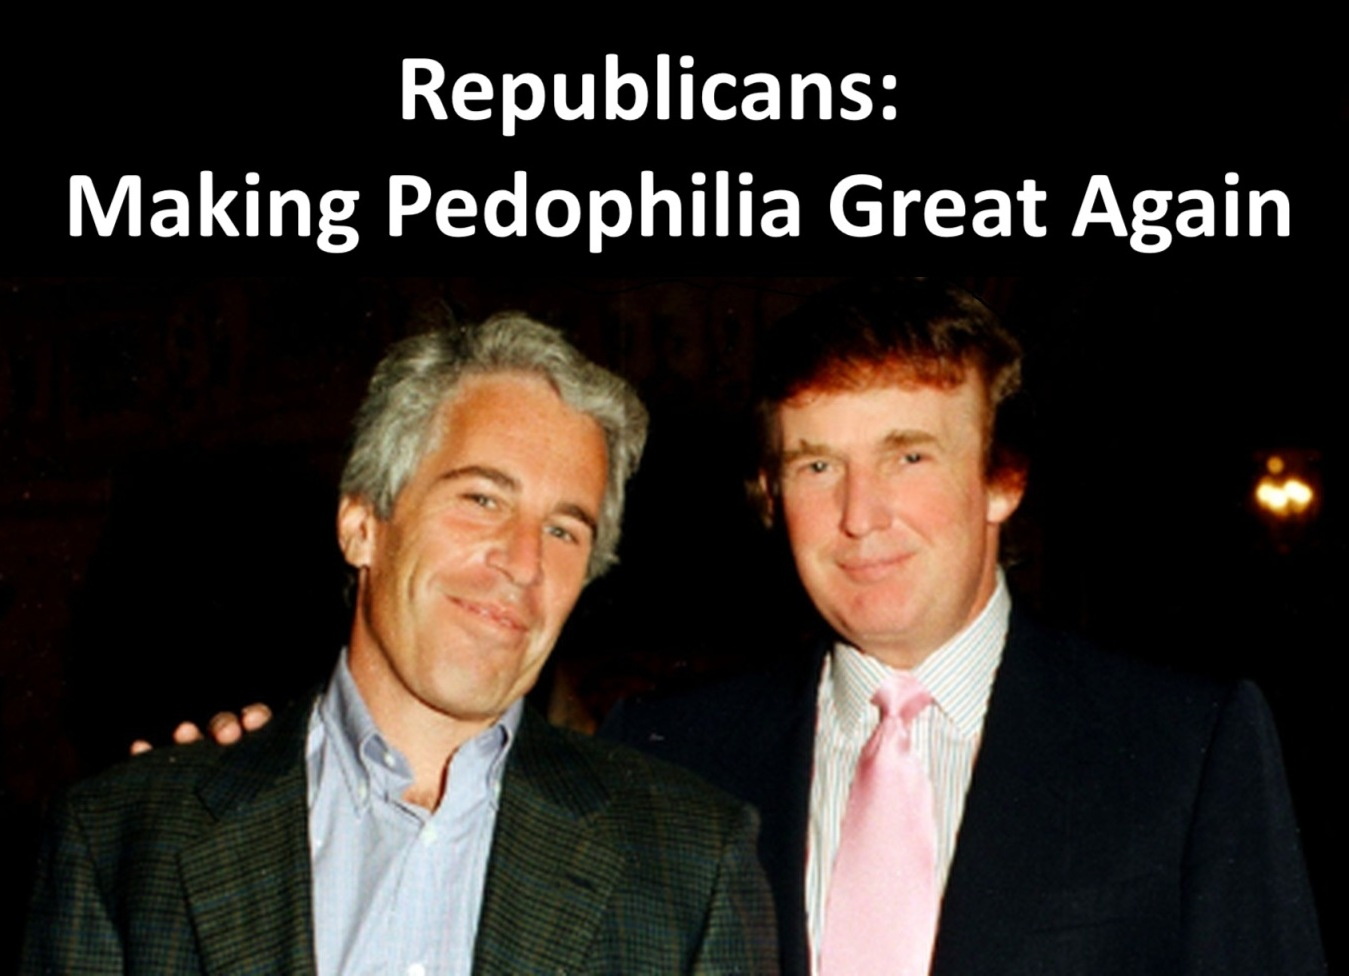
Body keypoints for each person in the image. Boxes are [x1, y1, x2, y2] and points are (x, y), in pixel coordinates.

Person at [604, 278, 1326, 975]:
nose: (859, 516)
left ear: (1002, 479)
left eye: (908, 456)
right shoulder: (668, 757)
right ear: (771, 492)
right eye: (818, 465)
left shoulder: (1183, 749)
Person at [23, 314, 778, 975]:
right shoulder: (125, 839)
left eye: (562, 530)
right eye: (482, 498)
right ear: (362, 526)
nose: (524, 563)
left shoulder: (690, 860)